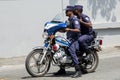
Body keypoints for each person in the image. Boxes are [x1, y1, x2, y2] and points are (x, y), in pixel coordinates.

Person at [54, 6, 82, 78]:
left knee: (71, 50)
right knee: (61, 50)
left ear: (71, 12)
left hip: (75, 39)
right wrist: (56, 30)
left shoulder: (75, 20)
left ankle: (78, 71)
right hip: (69, 39)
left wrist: (69, 29)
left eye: (67, 11)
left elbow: (78, 30)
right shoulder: (68, 20)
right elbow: (65, 29)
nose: (66, 12)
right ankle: (62, 69)